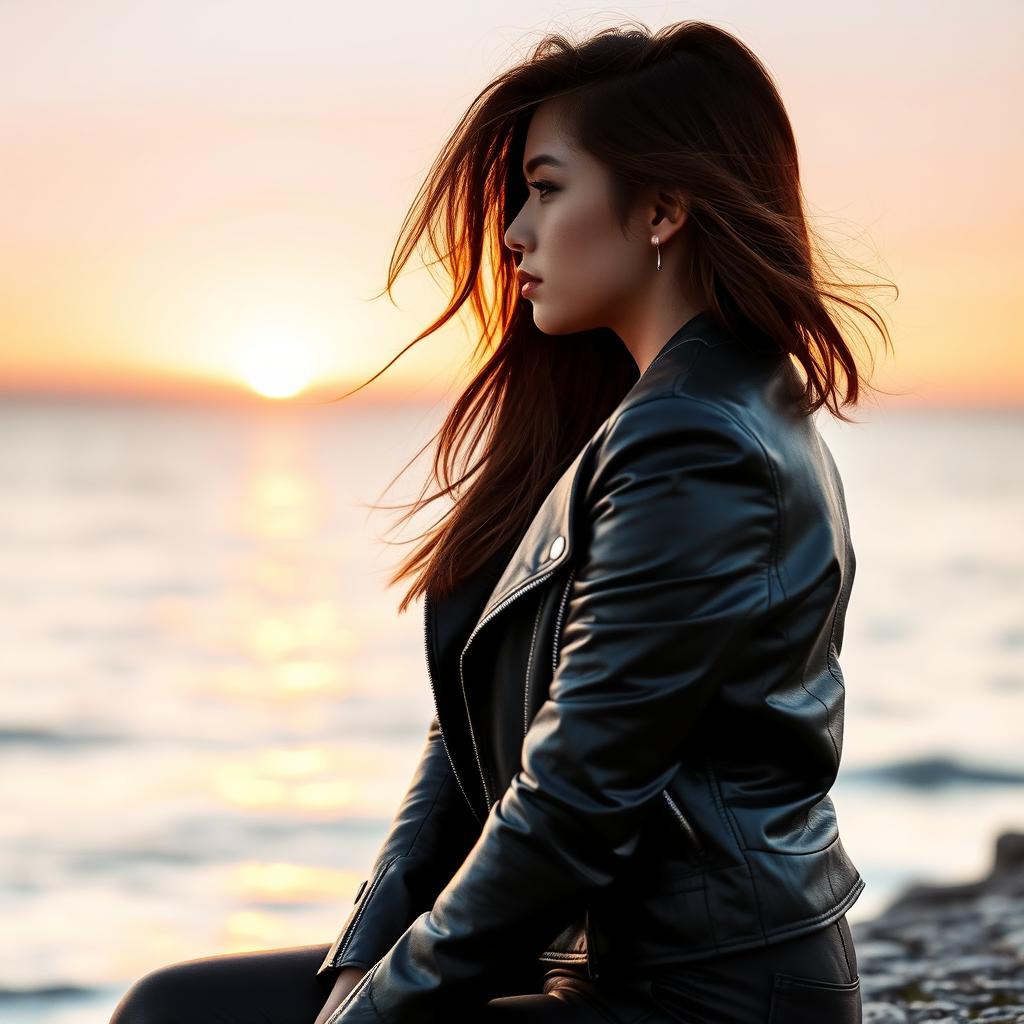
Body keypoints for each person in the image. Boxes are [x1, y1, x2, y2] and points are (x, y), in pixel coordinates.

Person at [109, 18, 894, 1024]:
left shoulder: (692, 445)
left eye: (548, 186)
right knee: (177, 1007)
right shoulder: (641, 417)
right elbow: (471, 734)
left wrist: (383, 1008)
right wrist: (369, 954)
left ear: (660, 208)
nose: (516, 230)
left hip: (699, 998)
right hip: (590, 960)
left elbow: (574, 799)